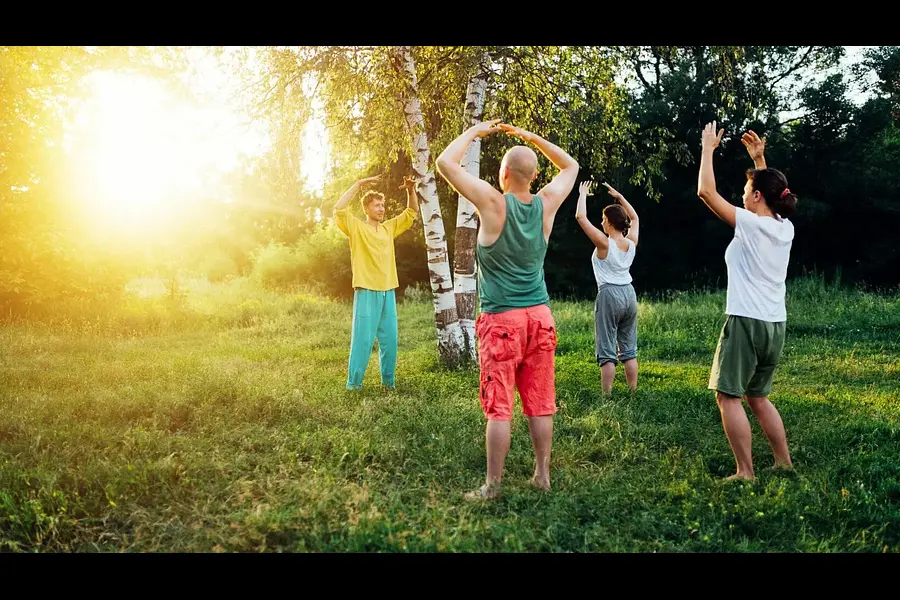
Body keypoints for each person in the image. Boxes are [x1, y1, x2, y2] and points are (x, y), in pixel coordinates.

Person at [436, 119, 579, 500]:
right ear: (533, 175)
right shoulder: (546, 204)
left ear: (503, 173)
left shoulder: (492, 202)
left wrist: (473, 133)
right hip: (540, 317)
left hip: (502, 321)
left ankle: (493, 486)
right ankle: (542, 475)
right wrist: (533, 138)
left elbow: (445, 164)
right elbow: (571, 167)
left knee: (500, 406)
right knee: (540, 400)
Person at [697, 122, 798, 480]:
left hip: (745, 321)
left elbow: (706, 193)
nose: (742, 193)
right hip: (774, 324)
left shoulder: (752, 225)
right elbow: (773, 197)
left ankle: (745, 471)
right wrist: (760, 161)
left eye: (746, 188)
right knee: (758, 397)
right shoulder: (784, 228)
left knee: (728, 397)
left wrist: (708, 148)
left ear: (756, 196)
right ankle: (784, 463)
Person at [333, 174, 419, 390]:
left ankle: (388, 384)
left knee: (390, 342)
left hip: (387, 291)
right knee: (362, 341)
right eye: (377, 205)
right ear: (367, 209)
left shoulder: (388, 228)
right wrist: (357, 185)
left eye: (383, 205)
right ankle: (354, 386)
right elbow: (339, 209)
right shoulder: (356, 227)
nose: (382, 209)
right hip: (366, 290)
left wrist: (410, 190)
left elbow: (411, 213)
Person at [574, 180, 640, 394]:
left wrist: (582, 193)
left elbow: (580, 217)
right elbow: (635, 217)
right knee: (629, 350)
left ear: (611, 223)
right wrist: (620, 197)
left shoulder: (604, 243)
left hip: (609, 294)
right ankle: (632, 392)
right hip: (629, 294)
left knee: (607, 349)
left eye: (603, 220)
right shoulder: (631, 242)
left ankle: (607, 396)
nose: (602, 223)